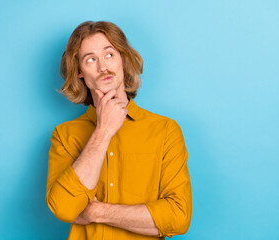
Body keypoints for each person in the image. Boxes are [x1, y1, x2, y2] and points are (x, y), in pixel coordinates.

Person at [45, 21, 192, 239]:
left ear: (122, 60)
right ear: (79, 72)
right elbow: (65, 208)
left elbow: (178, 217)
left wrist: (96, 212)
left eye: (109, 55)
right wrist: (103, 131)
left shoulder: (165, 130)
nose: (103, 67)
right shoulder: (64, 136)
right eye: (91, 59)